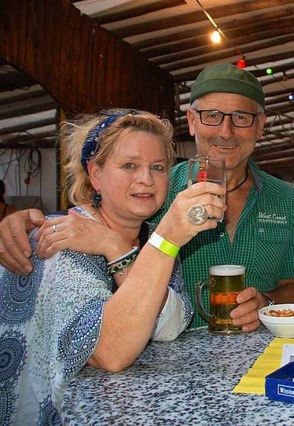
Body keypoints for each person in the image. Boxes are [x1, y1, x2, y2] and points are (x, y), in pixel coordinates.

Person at [0, 64, 294, 331]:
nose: (226, 131)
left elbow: (293, 284)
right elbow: (95, 217)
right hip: (164, 361)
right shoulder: (154, 191)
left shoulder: (284, 197)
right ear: (192, 120)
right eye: (212, 115)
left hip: (252, 349)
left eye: (241, 117)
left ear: (261, 125)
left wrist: (266, 302)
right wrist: (23, 223)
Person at [0, 110, 225, 424]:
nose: (146, 179)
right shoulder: (62, 241)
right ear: (95, 174)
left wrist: (118, 249)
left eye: (157, 167)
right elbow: (110, 352)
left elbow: (172, 322)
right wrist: (167, 238)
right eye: (129, 165)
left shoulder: (147, 237)